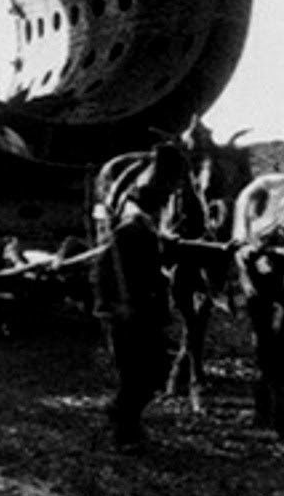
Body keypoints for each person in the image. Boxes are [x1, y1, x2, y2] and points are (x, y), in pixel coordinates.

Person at [92, 144, 232, 452]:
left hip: (145, 308)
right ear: (161, 184)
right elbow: (104, 268)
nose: (172, 196)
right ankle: (122, 430)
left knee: (152, 370)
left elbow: (169, 247)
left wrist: (220, 250)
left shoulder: (145, 219)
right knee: (140, 372)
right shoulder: (133, 222)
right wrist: (120, 306)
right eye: (170, 188)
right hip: (129, 312)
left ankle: (124, 420)